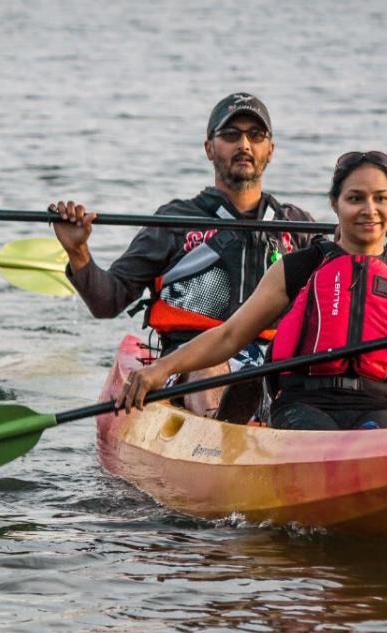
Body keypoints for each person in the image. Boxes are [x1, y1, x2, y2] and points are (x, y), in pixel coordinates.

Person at [115, 150, 387, 431]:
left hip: (380, 405)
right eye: (355, 198)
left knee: (385, 431)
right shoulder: (301, 266)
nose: (369, 210)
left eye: (380, 199)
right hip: (303, 405)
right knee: (316, 432)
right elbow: (232, 335)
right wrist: (159, 370)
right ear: (335, 205)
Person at [49, 92, 316, 415]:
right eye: (231, 135)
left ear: (270, 150)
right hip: (190, 362)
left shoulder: (297, 226)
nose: (244, 145)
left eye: (255, 136)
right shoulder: (174, 221)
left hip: (274, 361)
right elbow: (108, 301)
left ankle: (259, 411)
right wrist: (78, 252)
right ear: (209, 148)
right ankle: (220, 428)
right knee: (210, 370)